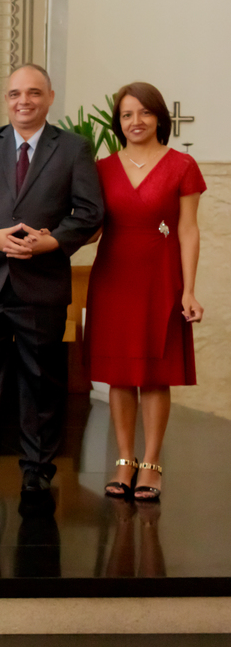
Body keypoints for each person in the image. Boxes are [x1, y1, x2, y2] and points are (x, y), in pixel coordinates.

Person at [0, 64, 104, 499]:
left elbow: (90, 211)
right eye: (16, 93)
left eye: (34, 93)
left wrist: (51, 242)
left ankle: (38, 470)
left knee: (41, 382)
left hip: (41, 283)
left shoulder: (73, 148)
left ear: (49, 98)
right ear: (7, 99)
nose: (24, 101)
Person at [86, 82, 204, 501]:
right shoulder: (101, 168)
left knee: (155, 375)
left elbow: (188, 230)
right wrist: (51, 236)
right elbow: (92, 228)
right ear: (118, 122)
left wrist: (189, 290)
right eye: (126, 115)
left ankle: (151, 463)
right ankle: (124, 459)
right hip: (114, 278)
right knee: (120, 374)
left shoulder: (182, 165)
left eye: (144, 112)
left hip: (161, 279)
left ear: (159, 117)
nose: (135, 121)